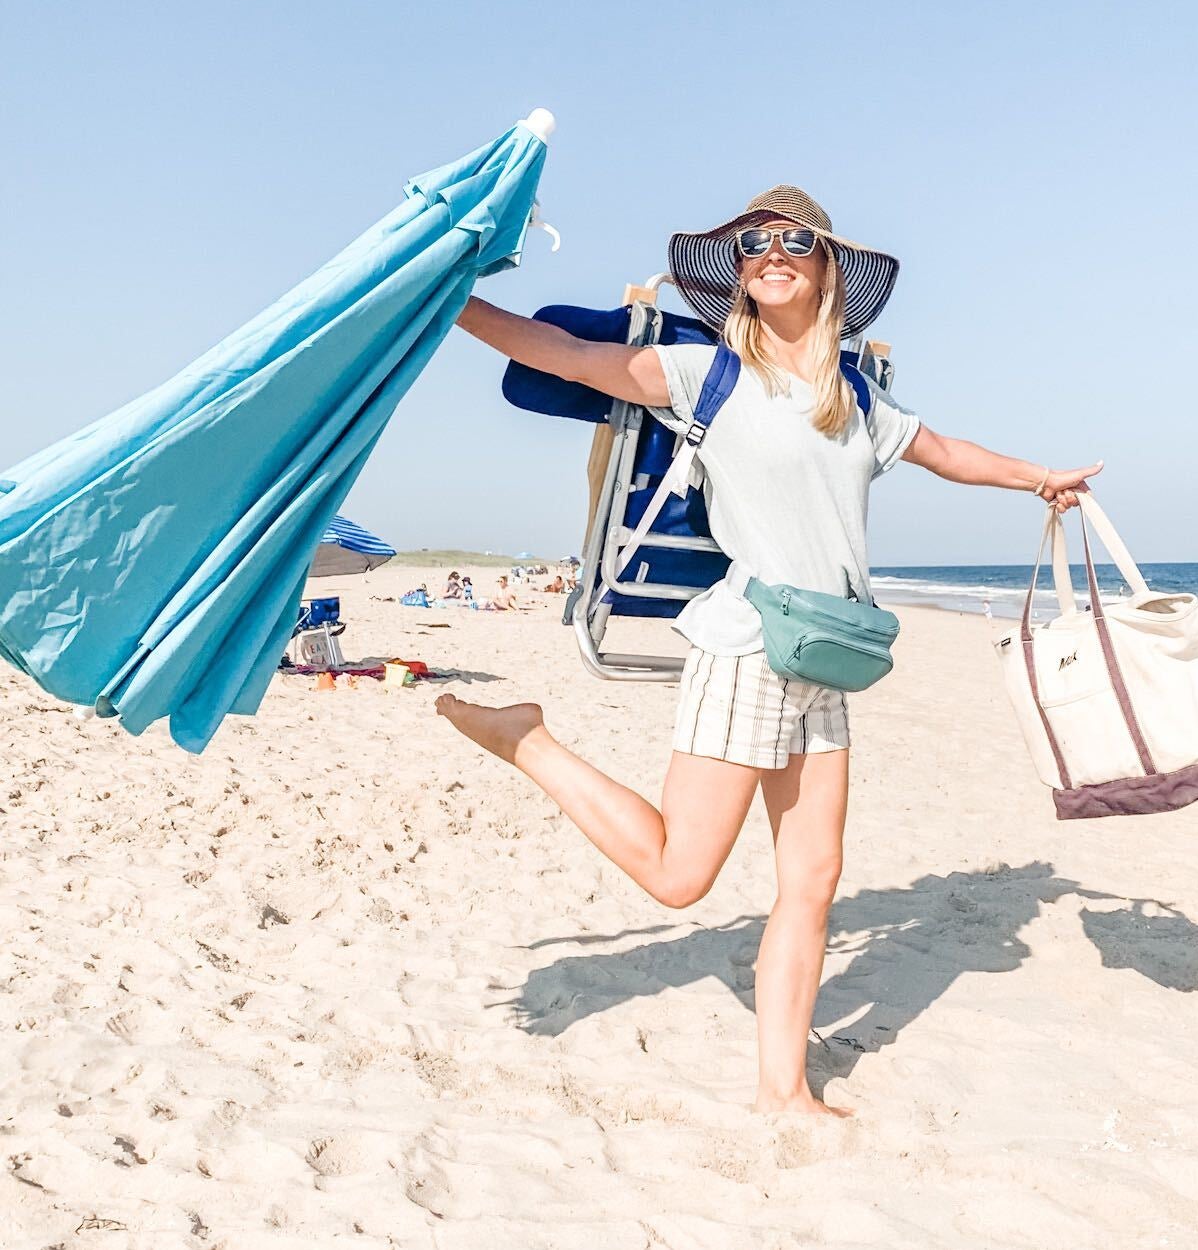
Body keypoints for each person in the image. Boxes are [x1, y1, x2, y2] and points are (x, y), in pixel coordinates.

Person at [437, 186, 1102, 1117]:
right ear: (740, 276)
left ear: (828, 267)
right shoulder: (704, 377)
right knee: (679, 875)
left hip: (827, 654)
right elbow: (575, 359)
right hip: (750, 643)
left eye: (796, 240)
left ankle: (783, 1091)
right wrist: (451, 301)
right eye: (753, 244)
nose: (771, 251)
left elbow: (946, 450)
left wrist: (1041, 479)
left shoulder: (857, 398)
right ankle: (527, 739)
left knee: (814, 883)